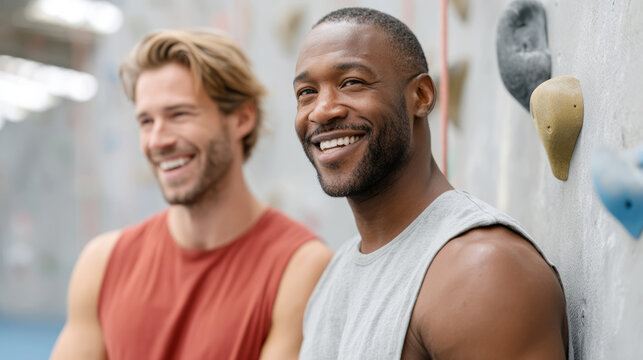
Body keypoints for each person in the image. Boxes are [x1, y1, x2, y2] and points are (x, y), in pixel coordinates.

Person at [293, 7, 571, 360]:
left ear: (421, 96)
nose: (322, 110)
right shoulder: (336, 275)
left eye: (352, 83)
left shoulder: (481, 271)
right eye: (306, 92)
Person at [51, 29, 332, 360]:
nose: (158, 140)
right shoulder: (101, 264)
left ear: (242, 118)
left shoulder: (301, 267)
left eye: (179, 115)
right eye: (146, 120)